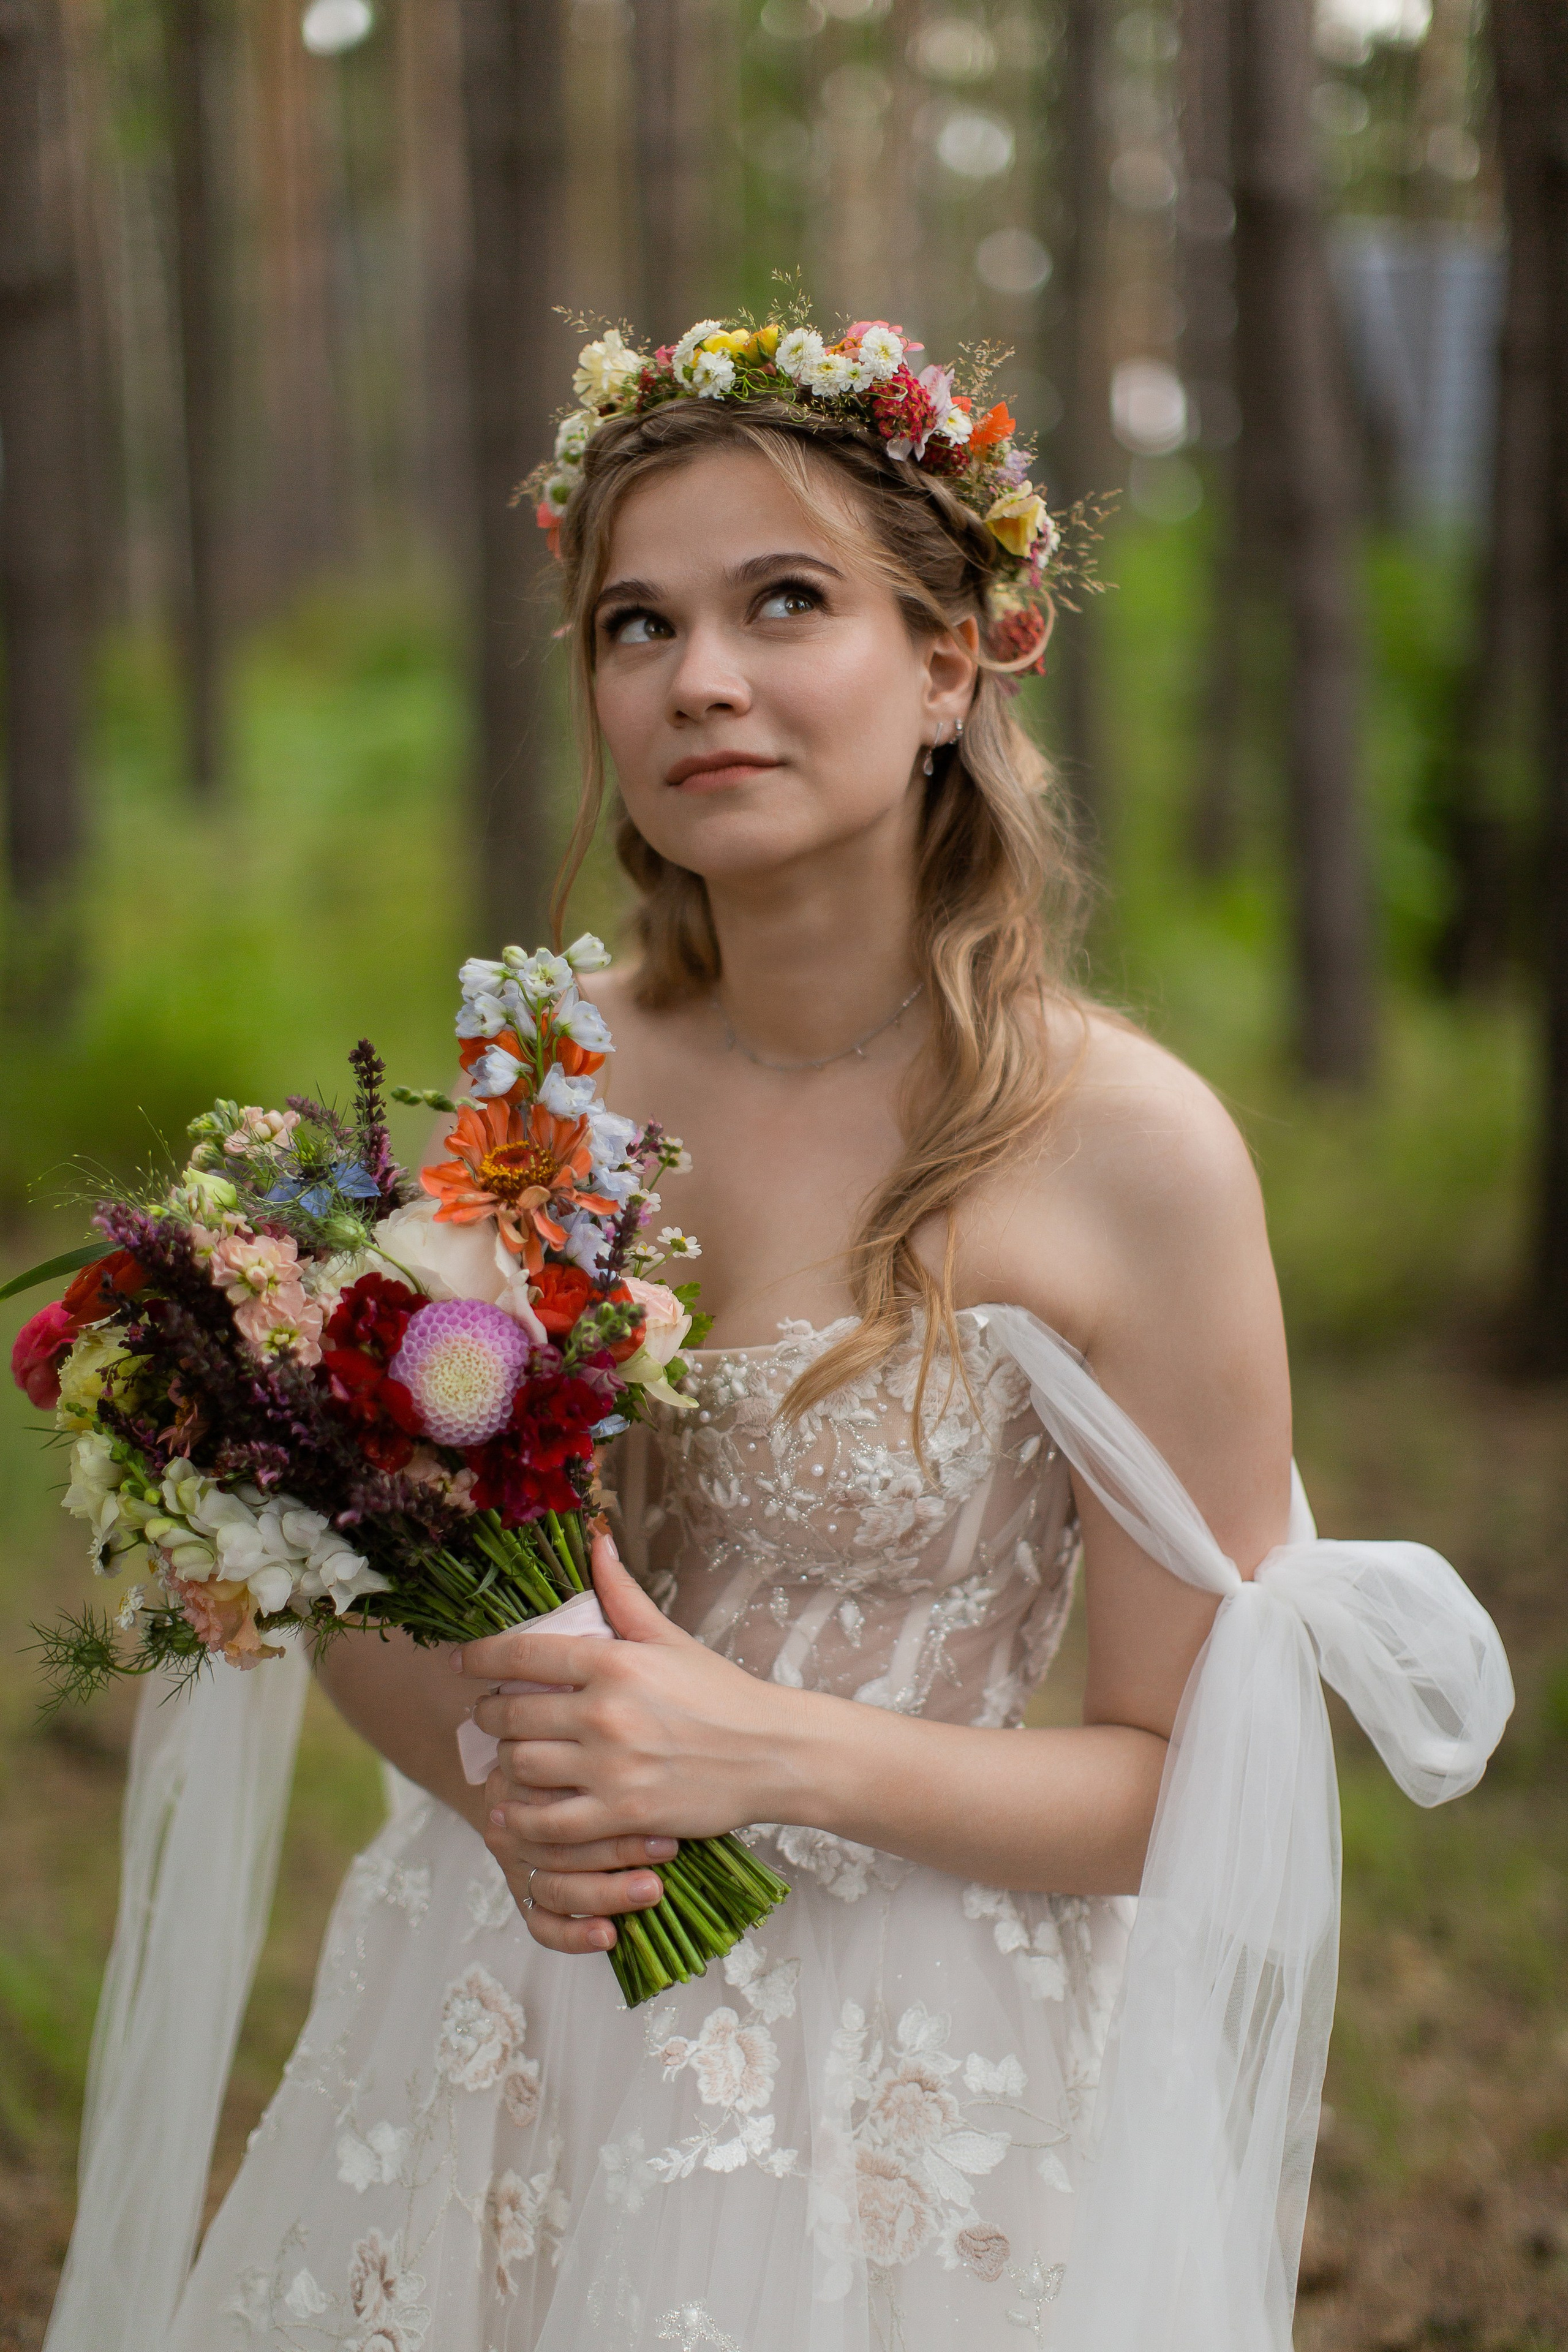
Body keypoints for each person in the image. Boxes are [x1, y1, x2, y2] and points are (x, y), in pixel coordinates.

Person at [64, 319, 1508, 2352]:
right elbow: (390, 1603)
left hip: (913, 2078)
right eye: (637, 624)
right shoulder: (540, 1092)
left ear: (949, 663)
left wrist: (770, 1755)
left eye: (787, 602)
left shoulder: (1135, 1153)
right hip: (522, 2017)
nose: (700, 679)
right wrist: (513, 1789)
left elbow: (1194, 1791)